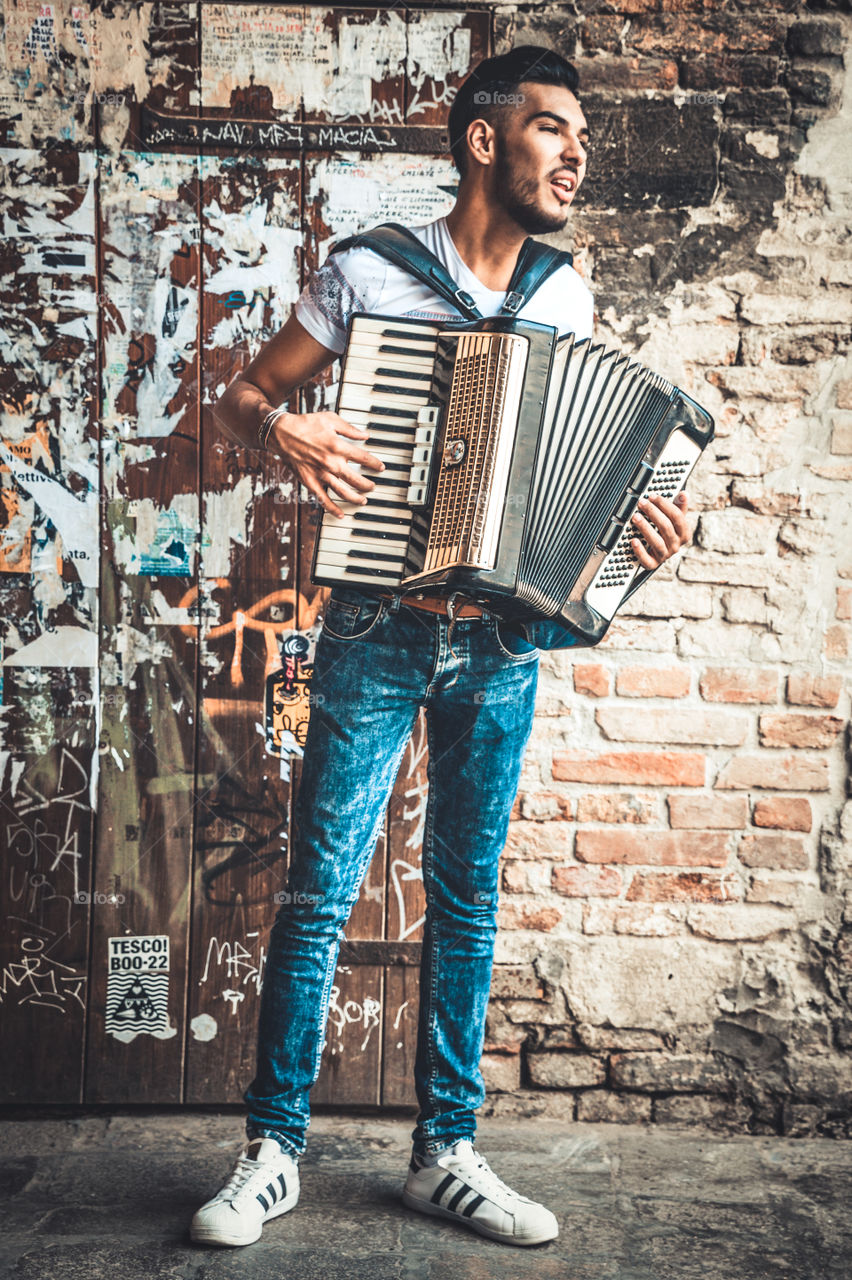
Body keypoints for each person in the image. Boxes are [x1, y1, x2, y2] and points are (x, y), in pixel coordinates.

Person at [190, 45, 691, 1250]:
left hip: (501, 638)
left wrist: (638, 532)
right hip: (375, 620)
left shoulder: (565, 297)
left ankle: (447, 1151)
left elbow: (580, 466)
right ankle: (272, 1150)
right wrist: (289, 431)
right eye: (555, 131)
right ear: (484, 139)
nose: (576, 158)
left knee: (466, 898)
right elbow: (244, 396)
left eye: (582, 140)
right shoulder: (370, 270)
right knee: (320, 891)